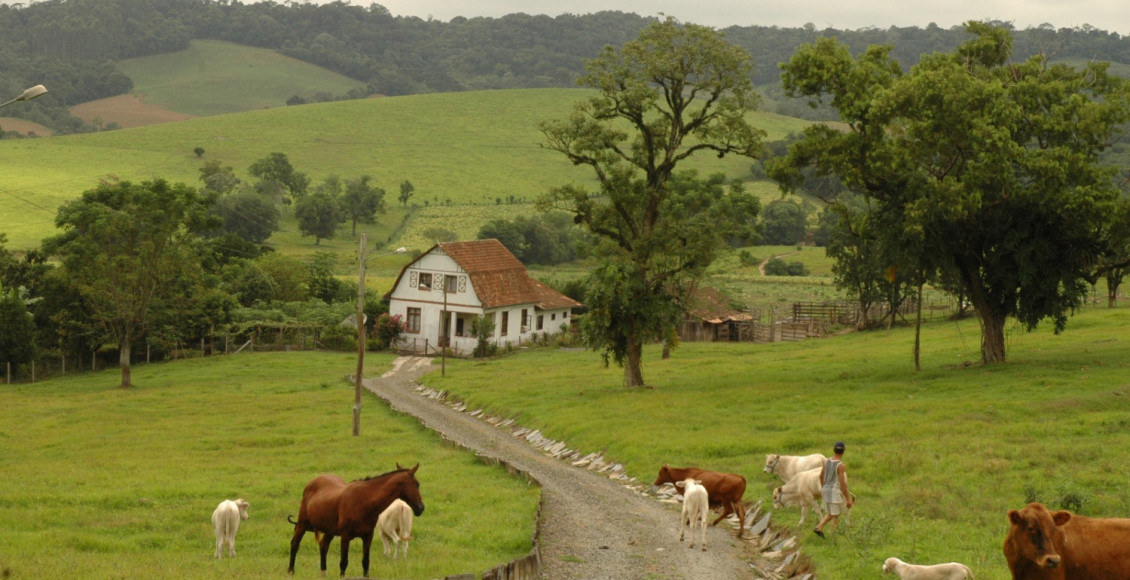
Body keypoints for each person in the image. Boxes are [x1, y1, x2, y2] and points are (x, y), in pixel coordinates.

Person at [813, 440, 852, 538]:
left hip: (825, 489)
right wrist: (847, 498)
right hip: (833, 491)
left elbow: (821, 476)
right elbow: (842, 483)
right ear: (843, 452)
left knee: (835, 514)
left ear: (834, 450)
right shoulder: (840, 465)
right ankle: (819, 527)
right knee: (834, 513)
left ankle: (832, 534)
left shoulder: (826, 461)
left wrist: (823, 487)